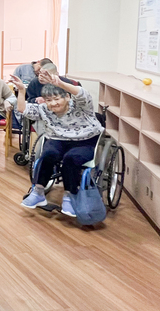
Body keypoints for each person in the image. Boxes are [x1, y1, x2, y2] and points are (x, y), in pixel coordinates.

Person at [13, 72, 103, 218]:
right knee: (48, 154)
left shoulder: (80, 106)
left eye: (57, 99)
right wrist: (22, 90)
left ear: (67, 97)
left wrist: (60, 83)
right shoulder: (45, 109)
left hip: (85, 140)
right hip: (58, 139)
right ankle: (38, 192)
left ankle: (69, 196)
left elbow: (82, 94)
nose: (53, 103)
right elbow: (23, 109)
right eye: (49, 100)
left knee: (70, 159)